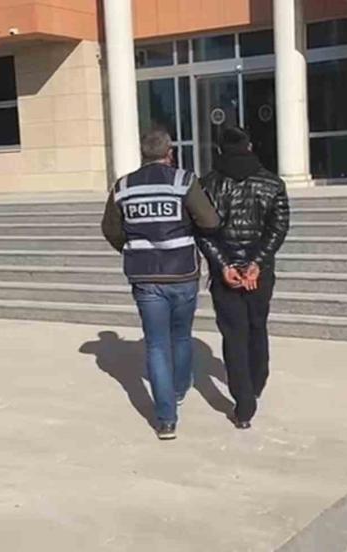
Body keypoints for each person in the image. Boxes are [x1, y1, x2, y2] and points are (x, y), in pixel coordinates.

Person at [101, 129, 219, 441]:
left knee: (155, 344)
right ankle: (178, 390)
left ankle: (166, 421)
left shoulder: (123, 186)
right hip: (182, 273)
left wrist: (133, 248)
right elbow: (210, 221)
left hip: (145, 277)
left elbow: (110, 229)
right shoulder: (183, 180)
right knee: (181, 336)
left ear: (143, 154)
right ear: (170, 152)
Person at [197, 127, 290, 430]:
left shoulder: (207, 184)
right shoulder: (272, 183)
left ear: (220, 150)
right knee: (257, 326)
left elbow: (202, 232)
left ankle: (244, 404)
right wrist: (256, 264)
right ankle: (257, 381)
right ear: (249, 146)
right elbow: (279, 227)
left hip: (225, 275)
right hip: (258, 275)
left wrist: (225, 265)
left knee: (234, 335)